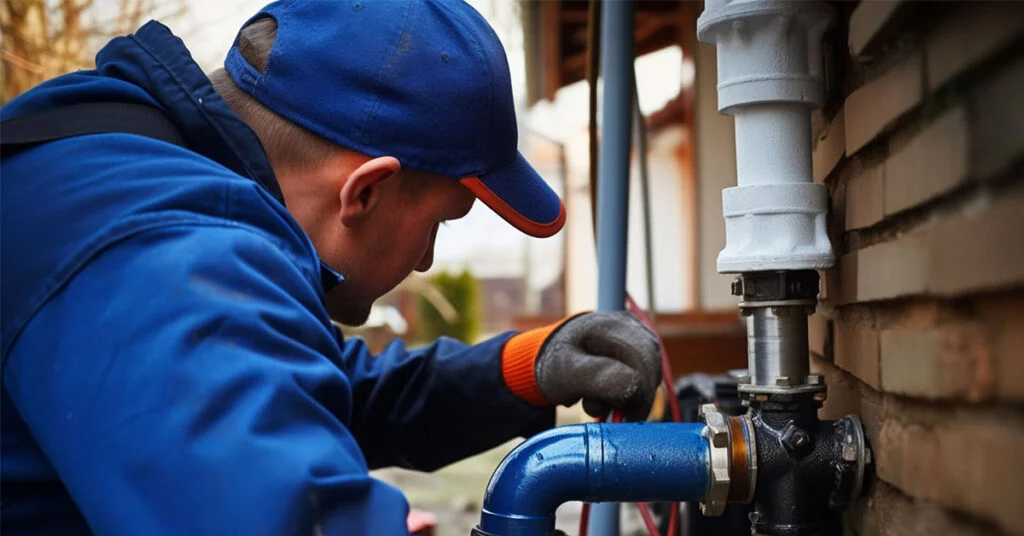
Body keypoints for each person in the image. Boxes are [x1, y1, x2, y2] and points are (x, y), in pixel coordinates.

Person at [0, 1, 662, 534]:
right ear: (365, 191)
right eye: (439, 223)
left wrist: (525, 368)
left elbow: (295, 385)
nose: (428, 258)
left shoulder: (124, 172)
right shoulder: (170, 259)